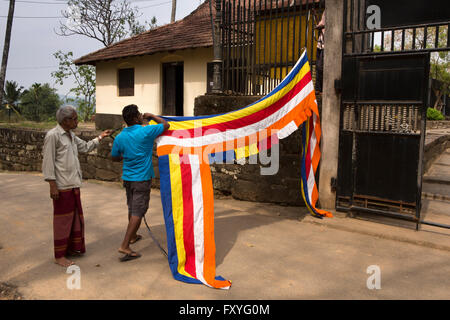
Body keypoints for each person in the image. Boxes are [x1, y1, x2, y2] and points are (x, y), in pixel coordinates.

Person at [42, 105, 111, 267]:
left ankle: (71, 248)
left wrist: (100, 137)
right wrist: (52, 185)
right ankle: (59, 255)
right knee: (62, 221)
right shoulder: (53, 136)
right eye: (74, 119)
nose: (77, 121)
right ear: (65, 121)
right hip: (62, 185)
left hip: (73, 184)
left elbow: (85, 147)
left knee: (74, 219)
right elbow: (48, 162)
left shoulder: (71, 136)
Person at [111, 104, 169, 262]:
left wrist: (125, 157)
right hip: (142, 178)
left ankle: (133, 236)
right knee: (139, 211)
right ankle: (124, 245)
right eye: (139, 114)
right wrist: (152, 115)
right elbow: (166, 124)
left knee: (132, 207)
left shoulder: (120, 137)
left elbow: (114, 156)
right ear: (136, 117)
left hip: (128, 178)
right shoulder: (145, 131)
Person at [315, 9, 325, 94]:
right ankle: (318, 89)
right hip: (320, 43)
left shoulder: (330, 11)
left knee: (321, 67)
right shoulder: (325, 11)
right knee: (318, 67)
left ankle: (321, 88)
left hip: (326, 44)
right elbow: (321, 23)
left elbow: (325, 24)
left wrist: (320, 26)